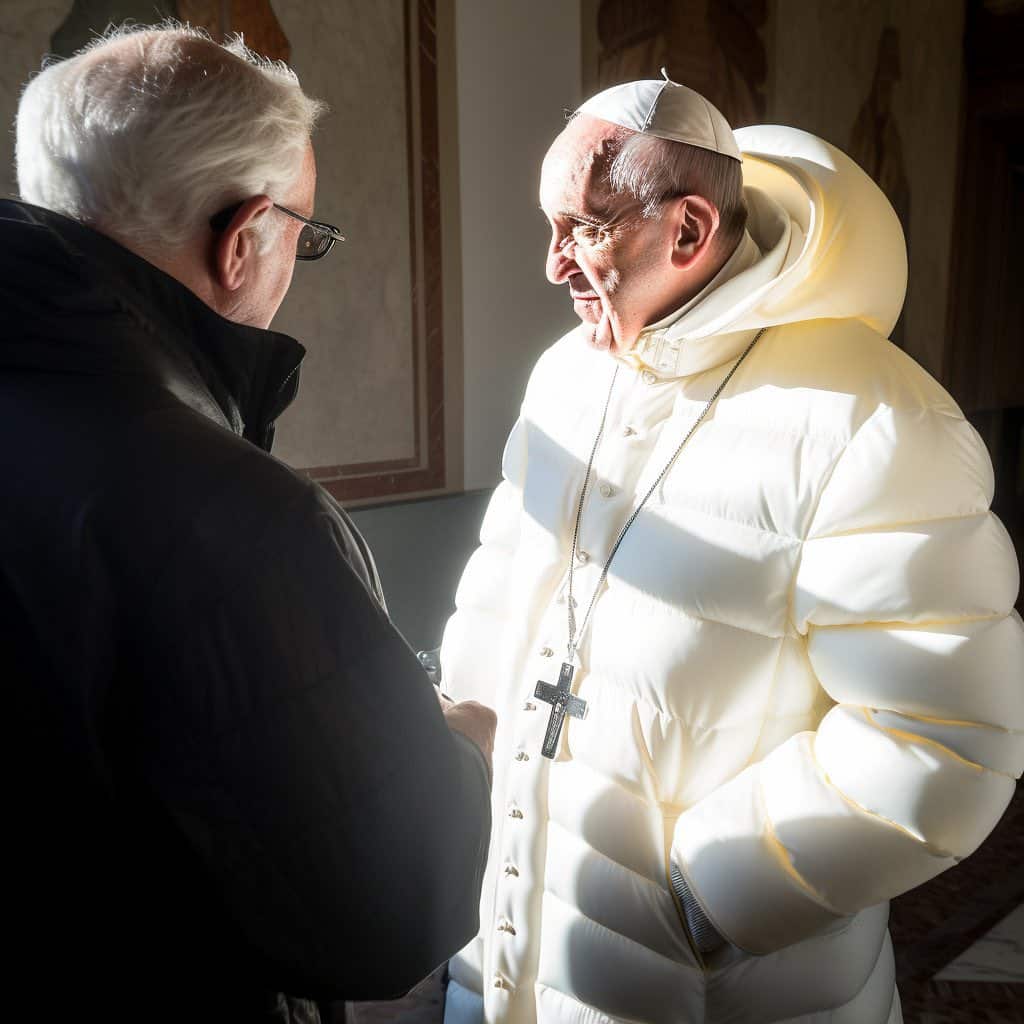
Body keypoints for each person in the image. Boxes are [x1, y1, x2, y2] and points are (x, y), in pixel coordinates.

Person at [439, 75, 1024, 1024]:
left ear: (688, 232)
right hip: (515, 935)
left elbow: (941, 742)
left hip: (723, 986)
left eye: (584, 228)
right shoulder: (564, 377)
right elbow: (504, 590)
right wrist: (468, 762)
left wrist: (705, 895)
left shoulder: (871, 423)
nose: (552, 267)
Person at [1, 24, 496, 1024]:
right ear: (247, 235)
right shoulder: (233, 515)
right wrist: (460, 753)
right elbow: (388, 913)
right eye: (307, 236)